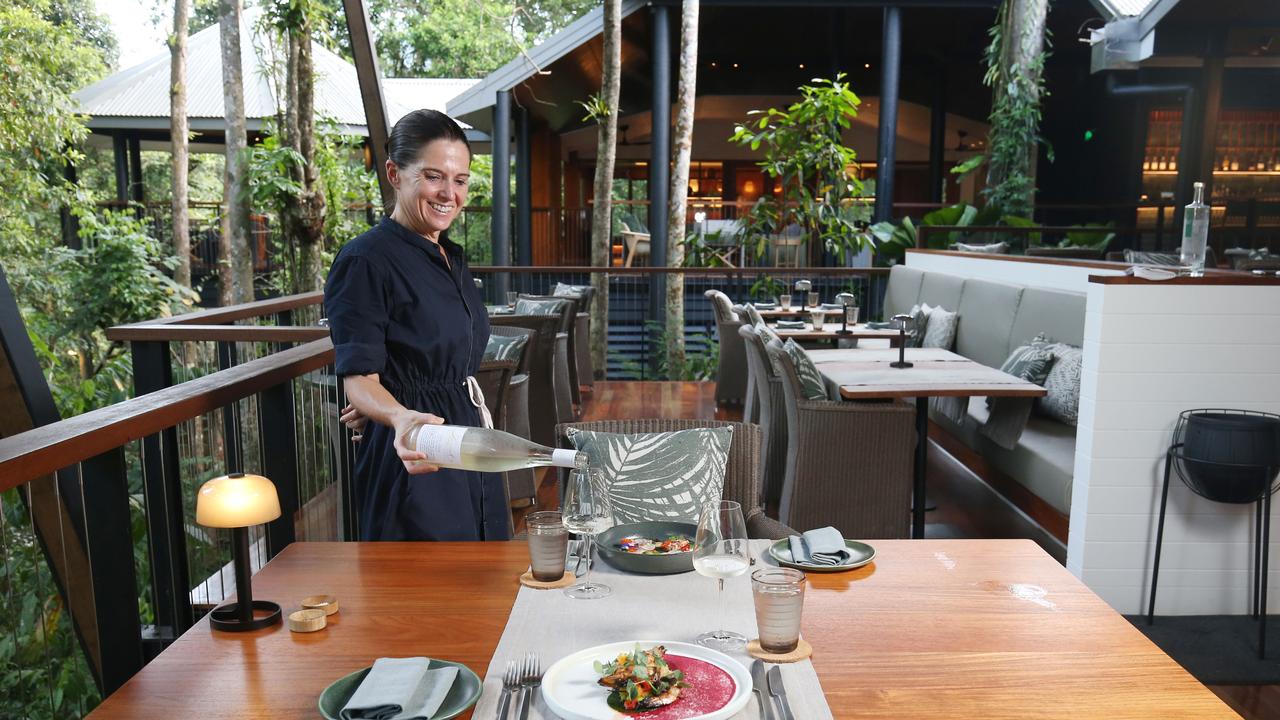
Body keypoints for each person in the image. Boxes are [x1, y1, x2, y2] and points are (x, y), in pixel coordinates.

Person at [323, 109, 509, 541]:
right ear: (394, 173)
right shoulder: (365, 260)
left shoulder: (451, 257)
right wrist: (394, 412)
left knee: (483, 579)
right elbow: (358, 377)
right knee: (426, 593)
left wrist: (381, 405)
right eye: (433, 176)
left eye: (460, 180)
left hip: (466, 440)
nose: (449, 193)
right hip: (413, 454)